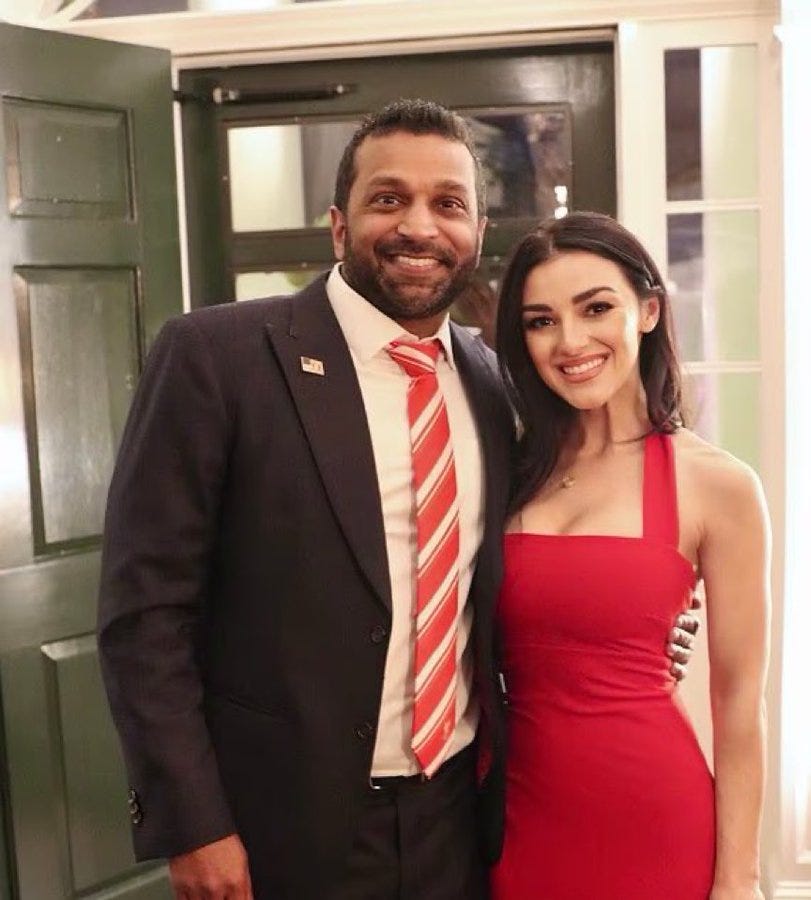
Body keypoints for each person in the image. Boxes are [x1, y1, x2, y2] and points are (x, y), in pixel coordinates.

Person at [97, 101, 697, 900]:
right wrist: (193, 822)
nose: (420, 226)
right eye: (389, 199)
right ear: (339, 225)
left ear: (477, 233)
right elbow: (145, 615)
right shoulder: (217, 357)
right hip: (278, 823)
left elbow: (526, 560)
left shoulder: (495, 379)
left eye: (448, 204)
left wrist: (645, 625)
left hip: (461, 814)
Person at [490, 211, 770, 900]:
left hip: (652, 820)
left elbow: (739, 706)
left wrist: (738, 879)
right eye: (540, 320)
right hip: (509, 820)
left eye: (596, 308)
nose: (570, 341)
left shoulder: (719, 485)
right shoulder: (501, 470)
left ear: (647, 310)